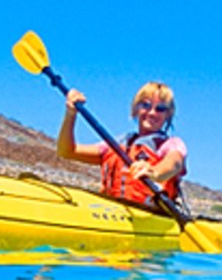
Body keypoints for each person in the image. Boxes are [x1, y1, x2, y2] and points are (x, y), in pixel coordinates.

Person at [57, 81, 188, 207]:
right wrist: (71, 115)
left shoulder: (171, 144)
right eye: (146, 105)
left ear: (168, 115)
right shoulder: (116, 144)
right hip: (113, 212)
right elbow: (67, 151)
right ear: (136, 108)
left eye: (160, 108)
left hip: (152, 217)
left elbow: (175, 163)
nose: (152, 112)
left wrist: (155, 172)